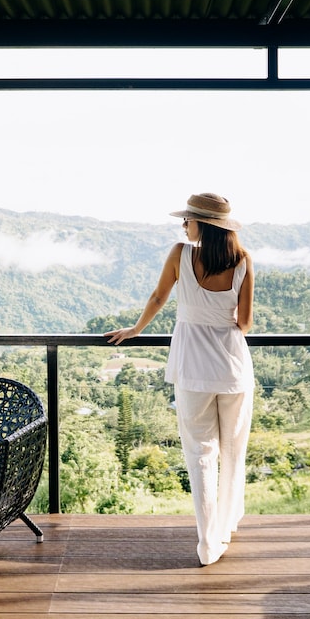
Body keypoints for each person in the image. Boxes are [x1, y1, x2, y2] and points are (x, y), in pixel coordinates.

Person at [106, 192, 255, 566]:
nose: (183, 225)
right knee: (233, 451)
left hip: (192, 367)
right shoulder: (243, 262)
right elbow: (245, 323)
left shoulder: (180, 254)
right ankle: (227, 525)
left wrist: (137, 329)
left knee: (200, 454)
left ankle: (208, 544)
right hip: (233, 366)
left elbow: (159, 297)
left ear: (201, 224)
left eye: (186, 219)